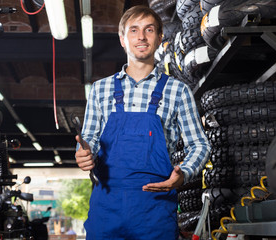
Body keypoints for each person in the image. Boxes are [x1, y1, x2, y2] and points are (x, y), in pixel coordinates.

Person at [75, 5, 211, 240]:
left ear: (159, 38)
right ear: (122, 39)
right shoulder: (100, 89)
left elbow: (200, 145)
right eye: (133, 30)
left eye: (149, 30)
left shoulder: (178, 91)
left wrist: (184, 173)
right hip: (107, 208)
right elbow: (90, 140)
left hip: (155, 210)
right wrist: (83, 153)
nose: (141, 37)